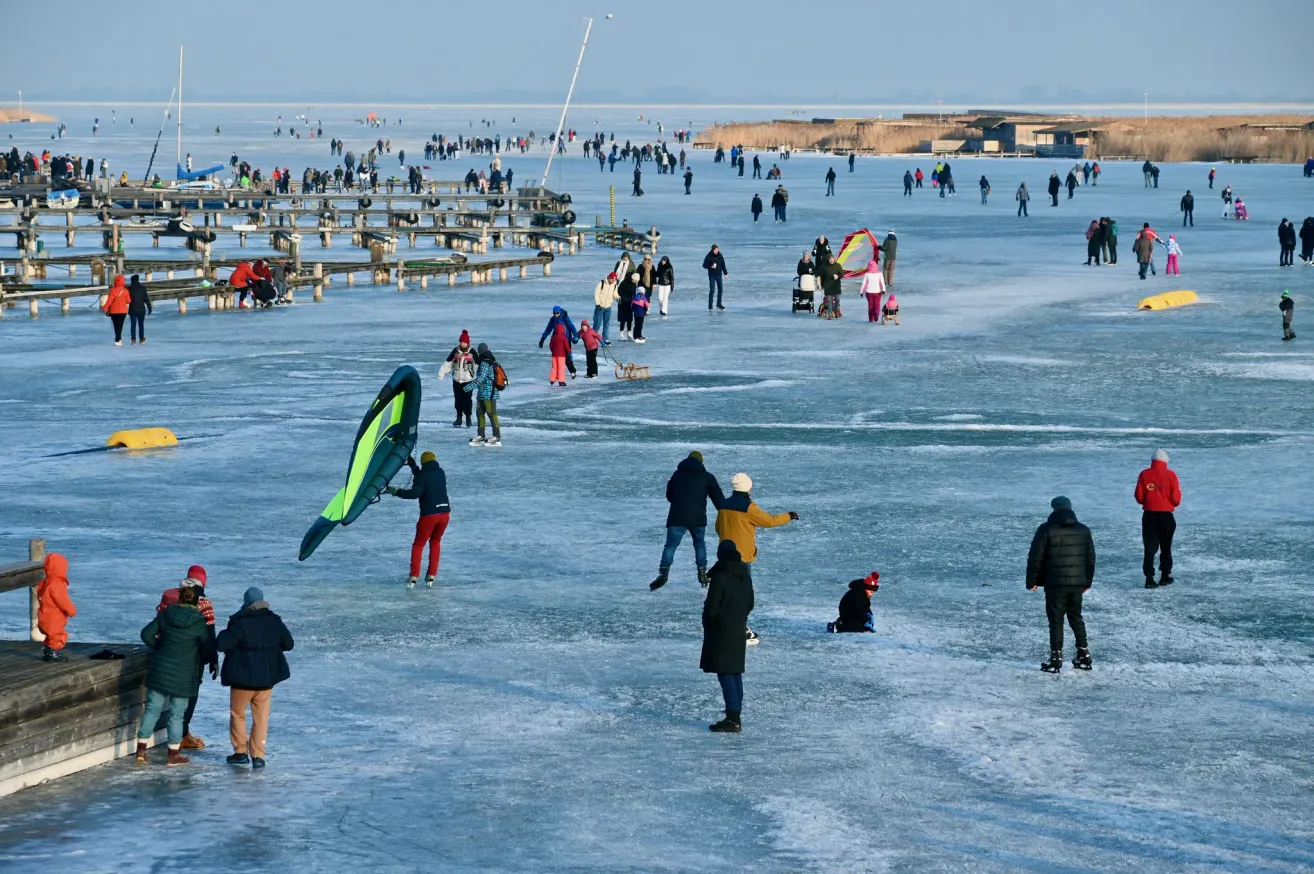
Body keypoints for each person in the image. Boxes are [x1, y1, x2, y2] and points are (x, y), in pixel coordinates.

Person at [136, 585, 216, 767]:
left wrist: (160, 648)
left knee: (152, 709)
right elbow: (206, 648)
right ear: (197, 602)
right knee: (177, 715)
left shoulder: (167, 614)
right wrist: (203, 660)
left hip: (160, 670)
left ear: (180, 598)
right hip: (184, 674)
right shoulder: (198, 622)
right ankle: (172, 755)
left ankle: (141, 750)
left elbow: (146, 634)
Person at [715, 473, 798, 645]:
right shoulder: (748, 507)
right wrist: (789, 515)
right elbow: (769, 521)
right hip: (742, 558)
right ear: (748, 487)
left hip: (724, 556)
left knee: (726, 593)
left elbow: (718, 527)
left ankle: (725, 626)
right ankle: (739, 629)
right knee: (743, 596)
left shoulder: (723, 504)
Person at [217, 586, 294, 770]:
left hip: (242, 678)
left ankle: (240, 753)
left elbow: (221, 644)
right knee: (261, 717)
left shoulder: (241, 622)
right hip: (266, 679)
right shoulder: (274, 621)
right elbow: (289, 644)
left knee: (238, 714)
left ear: (246, 603)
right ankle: (258, 756)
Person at [1026, 496, 1095, 673]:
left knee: (1056, 620)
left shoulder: (1046, 529)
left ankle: (1056, 658)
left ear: (1054, 509)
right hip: (1077, 583)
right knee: (1076, 617)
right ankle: (1084, 654)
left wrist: (1032, 582)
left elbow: (1036, 557)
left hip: (1055, 584)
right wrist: (1087, 581)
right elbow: (1090, 559)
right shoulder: (1083, 530)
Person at [155, 566, 216, 750]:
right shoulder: (203, 602)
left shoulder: (174, 596)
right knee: (188, 696)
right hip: (191, 657)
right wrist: (212, 659)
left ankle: (175, 734)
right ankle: (181, 736)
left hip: (167, 653)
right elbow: (209, 635)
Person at [652, 450, 726, 590]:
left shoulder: (677, 475)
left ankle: (664, 572)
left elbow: (669, 495)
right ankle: (702, 573)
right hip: (697, 518)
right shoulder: (707, 477)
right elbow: (718, 499)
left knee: (670, 545)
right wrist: (726, 512)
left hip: (677, 517)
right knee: (699, 545)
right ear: (701, 462)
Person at [700, 539, 753, 733]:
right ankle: (735, 714)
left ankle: (733, 718)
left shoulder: (720, 577)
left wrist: (709, 623)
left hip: (721, 629)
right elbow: (750, 603)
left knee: (725, 672)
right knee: (734, 671)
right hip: (738, 627)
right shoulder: (745, 576)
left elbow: (711, 607)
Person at [388, 451, 451, 586]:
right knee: (435, 542)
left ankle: (414, 576)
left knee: (418, 544)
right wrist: (413, 467)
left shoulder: (423, 474)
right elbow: (426, 478)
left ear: (423, 463)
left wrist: (396, 491)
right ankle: (431, 575)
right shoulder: (440, 472)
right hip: (445, 514)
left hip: (429, 516)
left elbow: (415, 492)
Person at [1135, 449, 1182, 588]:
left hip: (1149, 516)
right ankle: (1165, 576)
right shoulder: (1171, 475)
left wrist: (1150, 500)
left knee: (1149, 548)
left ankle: (1149, 578)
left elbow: (1139, 496)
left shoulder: (1144, 474)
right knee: (1166, 547)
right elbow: (1176, 499)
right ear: (1165, 462)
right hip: (1166, 516)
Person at [36, 553, 75, 662]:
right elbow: (62, 600)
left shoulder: (45, 582)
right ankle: (53, 654)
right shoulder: (56, 583)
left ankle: (48, 652)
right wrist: (71, 611)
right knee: (58, 635)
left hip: (44, 615)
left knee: (50, 635)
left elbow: (39, 594)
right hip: (54, 616)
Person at [465, 344, 502, 446]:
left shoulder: (486, 362)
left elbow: (482, 378)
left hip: (489, 393)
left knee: (491, 413)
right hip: (482, 393)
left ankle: (496, 435)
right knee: (479, 413)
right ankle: (481, 435)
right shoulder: (487, 361)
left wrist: (468, 387)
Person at [439, 330, 477, 427]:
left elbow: (478, 364)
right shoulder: (455, 351)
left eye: (464, 342)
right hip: (456, 380)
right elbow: (448, 362)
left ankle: (468, 418)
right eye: (461, 342)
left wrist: (474, 374)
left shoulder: (472, 352)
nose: (462, 344)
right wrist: (442, 373)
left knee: (467, 400)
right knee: (458, 399)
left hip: (468, 381)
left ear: (467, 343)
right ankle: (459, 418)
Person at [538, 306, 578, 376]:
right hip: (556, 341)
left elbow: (571, 326)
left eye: (557, 313)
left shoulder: (565, 318)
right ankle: (556, 374)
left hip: (566, 339)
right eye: (554, 313)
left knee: (567, 357)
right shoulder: (552, 319)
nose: (556, 315)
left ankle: (573, 371)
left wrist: (576, 336)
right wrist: (542, 339)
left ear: (560, 312)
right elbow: (548, 329)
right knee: (557, 357)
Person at [101, 274, 130, 346]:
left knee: (115, 325)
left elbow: (109, 301)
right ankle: (118, 339)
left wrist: (105, 307)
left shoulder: (112, 290)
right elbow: (128, 301)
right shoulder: (126, 291)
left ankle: (118, 339)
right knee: (120, 325)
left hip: (114, 311)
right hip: (123, 311)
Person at [593, 272, 618, 343]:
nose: (613, 281)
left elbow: (615, 294)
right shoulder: (602, 283)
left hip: (608, 307)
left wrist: (617, 297)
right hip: (600, 307)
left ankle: (605, 338)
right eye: (612, 279)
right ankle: (593, 337)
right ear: (609, 278)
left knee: (606, 323)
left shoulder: (614, 285)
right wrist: (598, 304)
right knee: (597, 323)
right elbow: (596, 293)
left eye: (614, 280)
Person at [127, 274, 152, 345]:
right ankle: (141, 339)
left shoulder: (129, 289)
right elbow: (146, 299)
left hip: (132, 309)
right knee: (141, 324)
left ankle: (133, 340)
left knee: (133, 325)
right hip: (141, 309)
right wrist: (149, 307)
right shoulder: (143, 288)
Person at [859, 259, 886, 323]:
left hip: (869, 292)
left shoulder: (867, 274)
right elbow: (882, 283)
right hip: (877, 292)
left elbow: (864, 284)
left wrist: (861, 292)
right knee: (877, 305)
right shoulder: (880, 274)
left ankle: (871, 318)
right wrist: (883, 290)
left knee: (870, 306)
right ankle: (876, 314)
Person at [703, 245, 728, 311]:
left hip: (719, 275)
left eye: (717, 249)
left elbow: (723, 264)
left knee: (720, 289)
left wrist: (725, 273)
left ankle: (719, 304)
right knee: (712, 289)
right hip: (712, 275)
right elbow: (704, 265)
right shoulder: (709, 256)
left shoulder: (720, 255)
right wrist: (710, 266)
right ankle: (710, 306)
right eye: (715, 250)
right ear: (712, 250)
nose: (716, 251)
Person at [820, 254, 843, 319]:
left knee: (837, 299)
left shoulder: (838, 265)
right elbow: (822, 276)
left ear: (834, 259)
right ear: (828, 260)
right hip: (828, 286)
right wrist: (822, 285)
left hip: (836, 285)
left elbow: (842, 273)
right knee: (829, 300)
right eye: (830, 259)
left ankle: (835, 310)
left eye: (832, 259)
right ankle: (830, 314)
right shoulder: (825, 267)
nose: (831, 260)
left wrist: (838, 276)